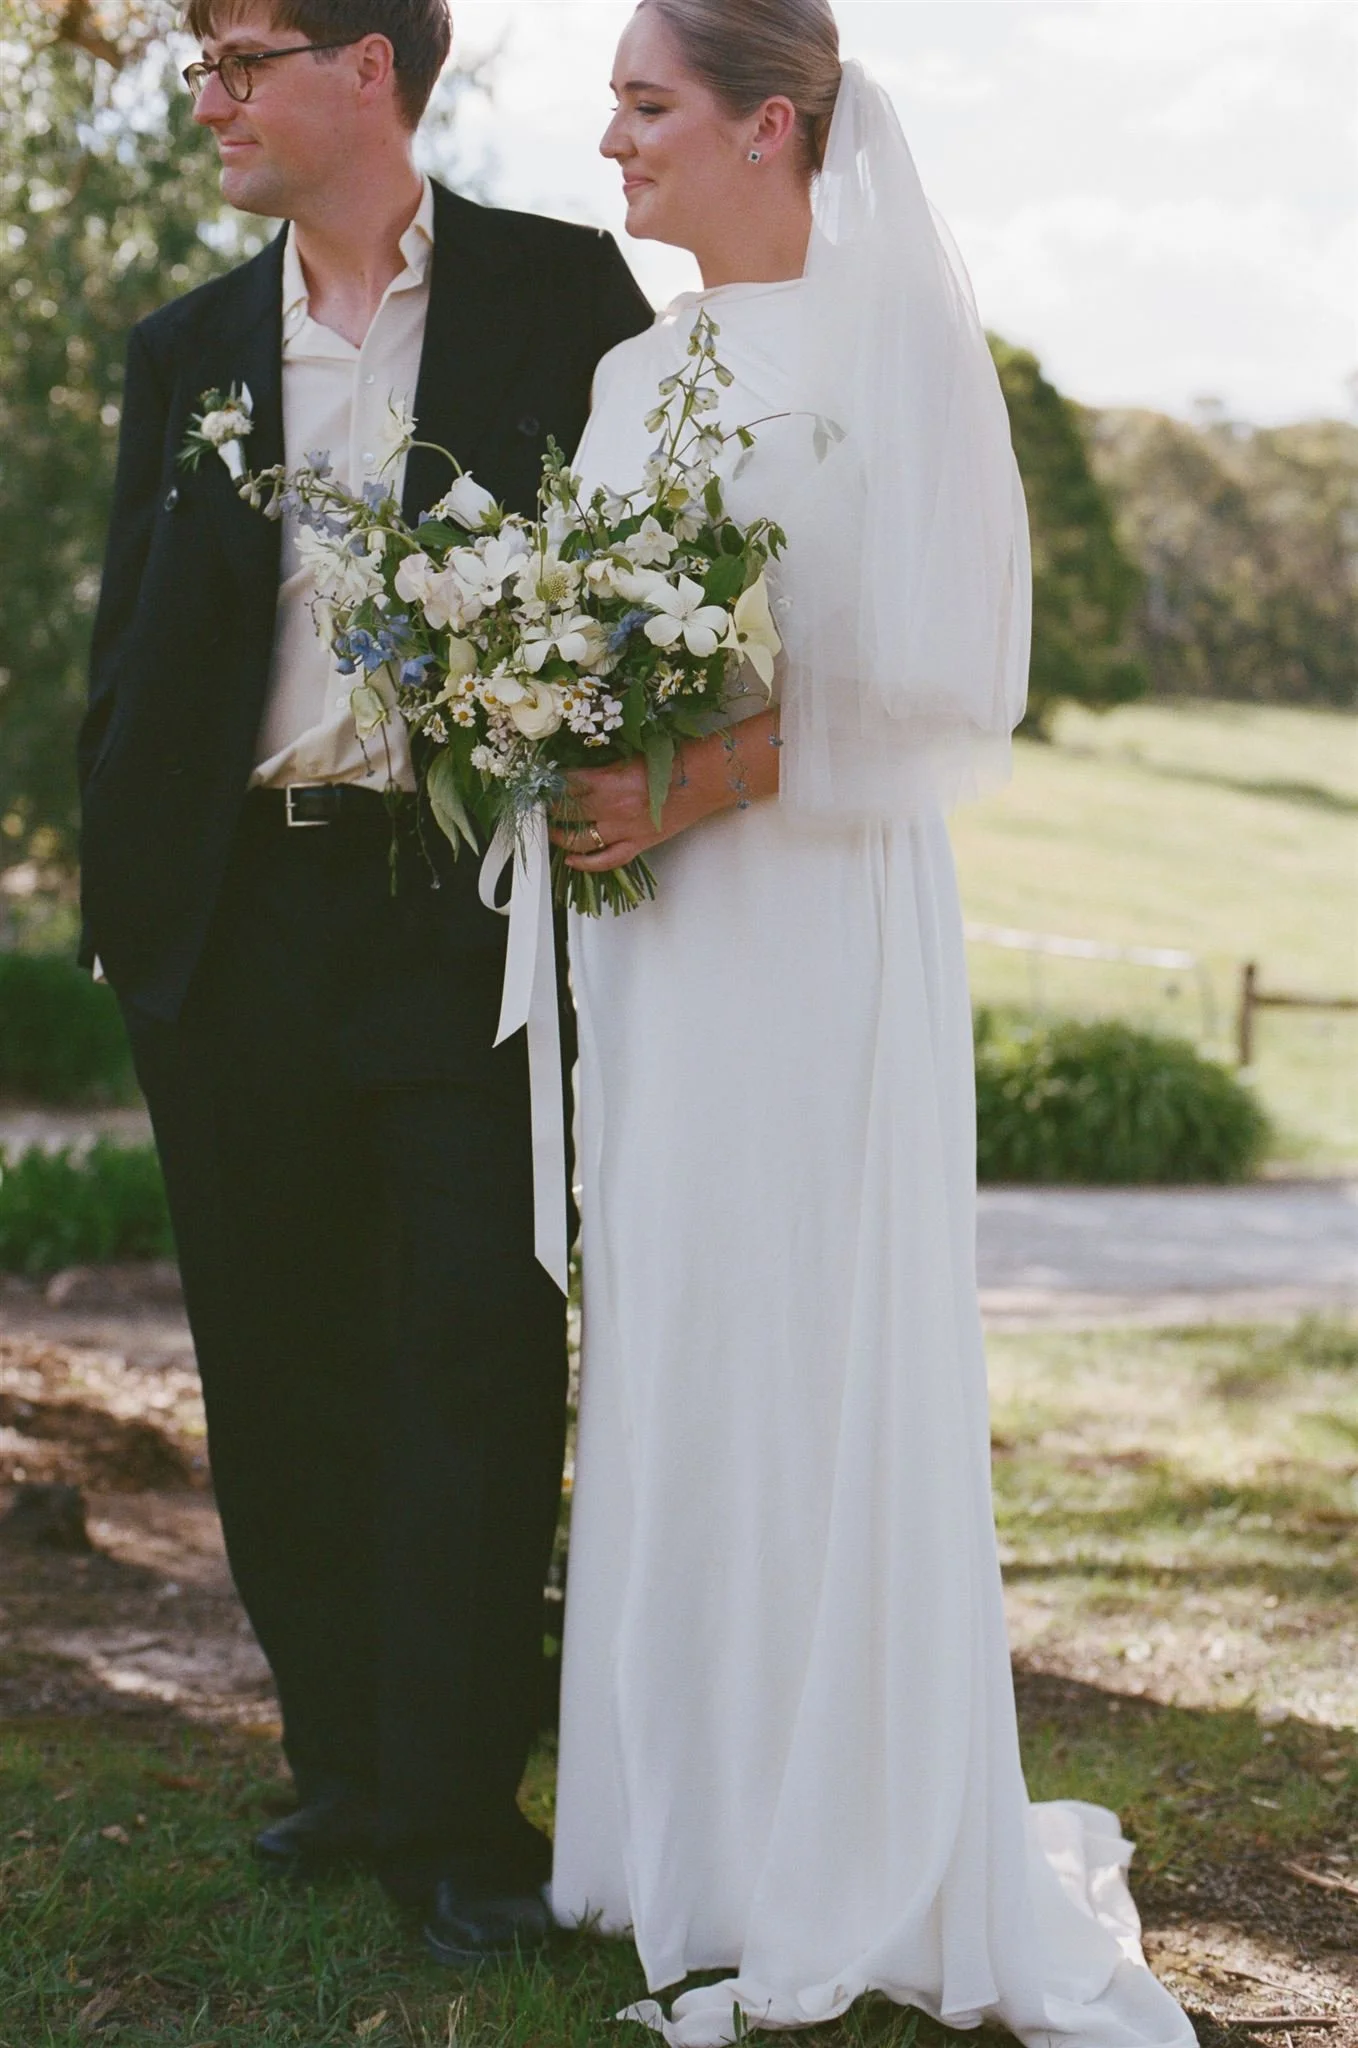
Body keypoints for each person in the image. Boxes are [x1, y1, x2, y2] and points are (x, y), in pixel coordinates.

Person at [547, 4, 1199, 2043]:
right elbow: (586, 641)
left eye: (644, 107)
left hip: (816, 913)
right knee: (682, 1330)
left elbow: (942, 684)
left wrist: (701, 778)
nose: (609, 143)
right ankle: (692, 1837)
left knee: (813, 1332)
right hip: (663, 936)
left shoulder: (898, 347)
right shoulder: (626, 373)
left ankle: (844, 1825)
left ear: (769, 123)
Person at [77, 0, 650, 1967]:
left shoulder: (560, 295)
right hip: (229, 930)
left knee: (476, 1362)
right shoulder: (186, 348)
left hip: (461, 922)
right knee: (278, 1360)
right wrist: (126, 896)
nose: (210, 96)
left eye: (243, 55)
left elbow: (672, 565)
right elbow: (126, 641)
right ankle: (342, 1767)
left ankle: (462, 1816)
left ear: (368, 71)